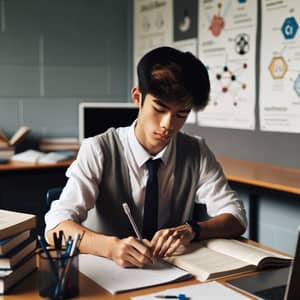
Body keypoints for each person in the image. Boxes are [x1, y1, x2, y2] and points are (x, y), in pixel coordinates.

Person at [45, 46, 247, 268]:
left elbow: (236, 217)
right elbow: (56, 227)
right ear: (137, 97)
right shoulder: (99, 148)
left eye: (182, 114)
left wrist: (193, 230)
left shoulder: (196, 152)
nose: (168, 125)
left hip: (172, 276)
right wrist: (111, 247)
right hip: (108, 277)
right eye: (160, 108)